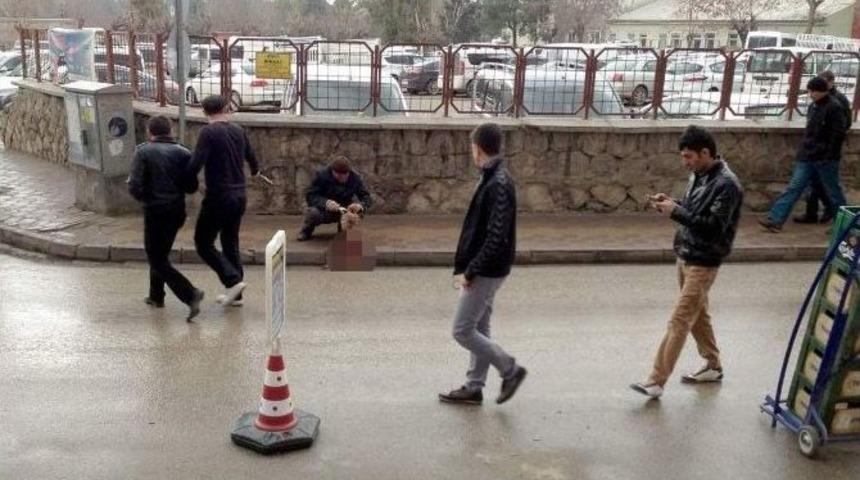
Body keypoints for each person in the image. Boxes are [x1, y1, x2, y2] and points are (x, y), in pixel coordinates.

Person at [630, 125, 743, 399]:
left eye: (689, 157)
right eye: (684, 156)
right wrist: (672, 203)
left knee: (680, 320)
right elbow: (694, 210)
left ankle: (656, 381)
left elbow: (714, 227)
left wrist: (676, 212)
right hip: (686, 254)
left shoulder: (727, 185)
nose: (685, 162)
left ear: (706, 153)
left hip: (704, 260)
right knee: (699, 316)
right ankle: (713, 366)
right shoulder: (699, 175)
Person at [438, 123, 527, 406]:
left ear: (478, 147)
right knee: (481, 327)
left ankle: (510, 369)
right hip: (487, 265)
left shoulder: (498, 182)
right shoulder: (491, 176)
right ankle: (474, 387)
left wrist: (471, 271)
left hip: (487, 268)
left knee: (462, 330)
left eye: (472, 146)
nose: (471, 151)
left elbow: (496, 235)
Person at [127, 115, 204, 321]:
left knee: (157, 258)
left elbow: (134, 185)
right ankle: (156, 296)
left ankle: (190, 294)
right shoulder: (183, 153)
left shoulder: (143, 151)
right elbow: (192, 187)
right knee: (160, 253)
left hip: (155, 211)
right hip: (176, 211)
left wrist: (146, 199)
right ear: (170, 131)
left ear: (150, 132)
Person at [188, 95, 260, 306]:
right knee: (230, 242)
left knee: (203, 243)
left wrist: (184, 181)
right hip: (239, 196)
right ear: (226, 108)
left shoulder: (208, 132)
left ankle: (232, 280)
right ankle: (236, 294)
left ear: (204, 112)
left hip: (219, 196)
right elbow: (252, 158)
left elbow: (196, 163)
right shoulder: (238, 130)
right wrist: (255, 171)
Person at [759, 77, 847, 233]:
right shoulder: (814, 107)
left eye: (814, 91)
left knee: (833, 192)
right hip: (808, 156)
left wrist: (828, 154)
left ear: (823, 91)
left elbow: (837, 135)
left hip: (825, 159)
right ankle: (775, 220)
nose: (811, 94)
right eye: (810, 91)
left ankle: (843, 224)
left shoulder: (834, 108)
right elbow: (810, 132)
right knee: (794, 187)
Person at [795, 70, 853, 225]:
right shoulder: (816, 102)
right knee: (813, 186)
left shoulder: (837, 101)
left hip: (826, 154)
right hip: (813, 152)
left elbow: (841, 128)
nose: (812, 93)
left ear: (831, 82)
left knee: (831, 189)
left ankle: (841, 220)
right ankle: (812, 213)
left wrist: (827, 150)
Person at [297, 156, 372, 241]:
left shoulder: (355, 178)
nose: (342, 178)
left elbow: (366, 197)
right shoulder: (322, 175)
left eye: (345, 175)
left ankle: (344, 230)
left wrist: (360, 206)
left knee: (356, 213)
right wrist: (326, 203)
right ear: (332, 171)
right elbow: (311, 196)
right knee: (312, 213)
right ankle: (306, 230)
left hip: (344, 210)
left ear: (349, 172)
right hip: (324, 209)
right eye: (339, 175)